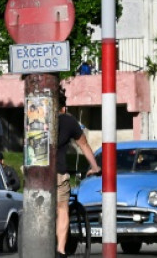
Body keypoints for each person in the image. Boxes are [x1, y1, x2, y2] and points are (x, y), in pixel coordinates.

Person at [56, 90, 100, 258]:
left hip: (36, 174)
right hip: (58, 173)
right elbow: (84, 145)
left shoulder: (34, 117)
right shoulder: (68, 121)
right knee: (62, 208)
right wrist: (95, 167)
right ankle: (60, 250)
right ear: (64, 107)